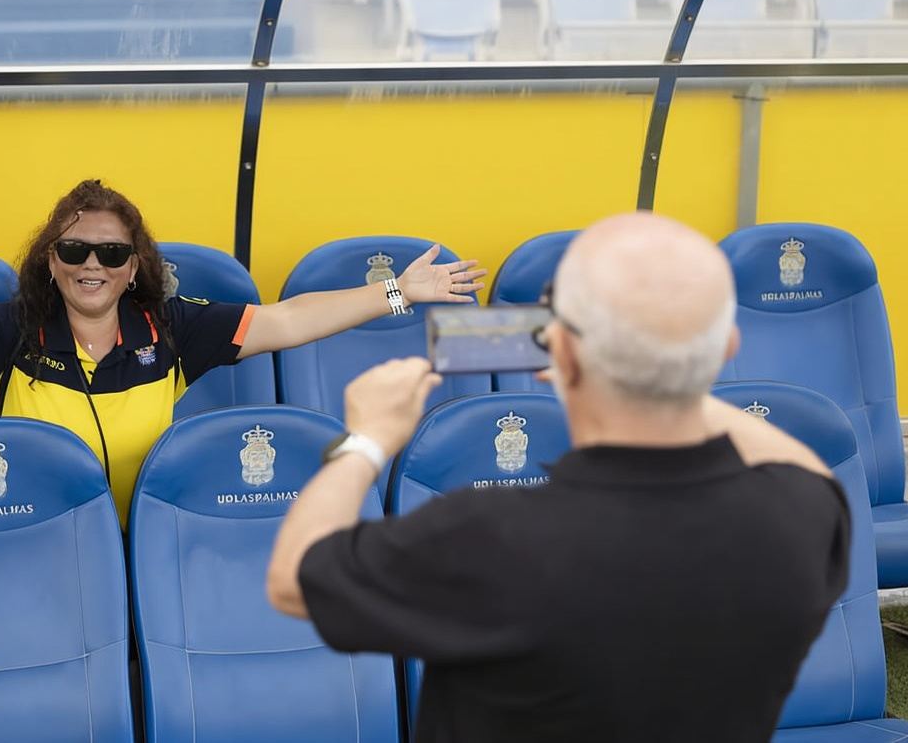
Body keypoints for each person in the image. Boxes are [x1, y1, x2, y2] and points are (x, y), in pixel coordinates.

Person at [268, 213, 850, 743]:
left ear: (559, 355)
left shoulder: (489, 536)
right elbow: (801, 463)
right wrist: (673, 362)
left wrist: (367, 438)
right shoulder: (803, 511)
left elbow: (296, 579)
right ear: (727, 347)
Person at [0, 179, 486, 523]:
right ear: (49, 260)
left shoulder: (170, 327)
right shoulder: (9, 332)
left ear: (136, 264)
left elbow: (287, 320)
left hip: (153, 529)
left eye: (108, 252)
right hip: (43, 526)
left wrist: (397, 294)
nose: (90, 267)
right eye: (73, 253)